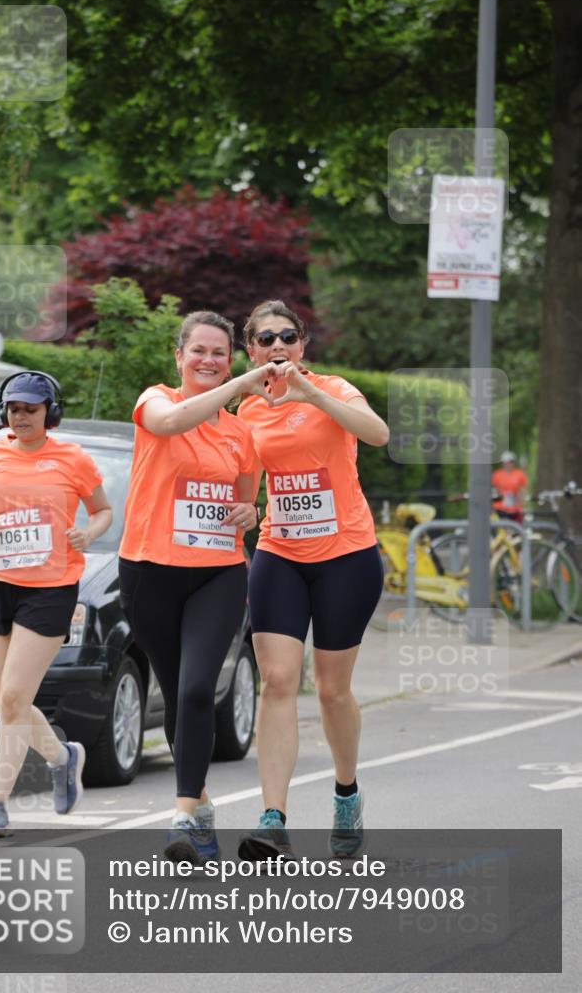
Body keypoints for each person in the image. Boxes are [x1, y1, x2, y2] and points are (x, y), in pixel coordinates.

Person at [118, 310, 276, 863]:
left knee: (194, 691)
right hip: (149, 572)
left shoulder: (240, 433)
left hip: (218, 573)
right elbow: (169, 424)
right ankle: (204, 811)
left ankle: (183, 816)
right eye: (200, 351)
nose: (209, 361)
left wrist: (246, 513)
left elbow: (248, 500)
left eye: (220, 353)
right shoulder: (154, 399)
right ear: (179, 356)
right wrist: (239, 386)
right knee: (177, 692)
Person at [236, 300, 389, 860]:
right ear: (250, 350)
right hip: (280, 552)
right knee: (277, 681)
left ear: (302, 345)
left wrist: (311, 394)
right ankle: (273, 817)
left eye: (288, 337)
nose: (278, 347)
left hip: (346, 555)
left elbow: (377, 434)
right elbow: (247, 481)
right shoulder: (247, 409)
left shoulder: (334, 388)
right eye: (265, 339)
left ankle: (346, 792)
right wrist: (245, 509)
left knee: (330, 688)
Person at [0, 372, 112, 838]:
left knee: (11, 698)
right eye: (13, 409)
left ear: (50, 412)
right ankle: (62, 757)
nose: (20, 416)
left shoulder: (72, 458)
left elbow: (103, 510)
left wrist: (88, 532)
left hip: (50, 587)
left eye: (30, 408)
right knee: (10, 698)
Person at [491, 451, 528, 525]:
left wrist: (522, 500)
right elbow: (494, 490)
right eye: (506, 462)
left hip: (515, 507)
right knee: (502, 527)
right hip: (500, 507)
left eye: (511, 462)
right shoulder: (497, 475)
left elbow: (523, 490)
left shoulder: (519, 474)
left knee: (516, 529)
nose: (508, 464)